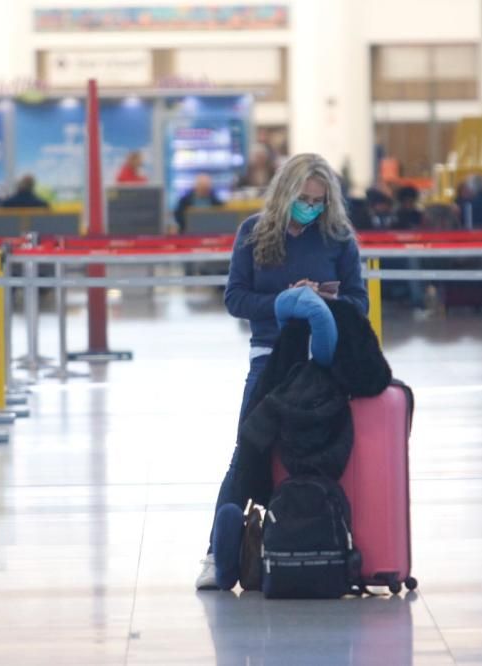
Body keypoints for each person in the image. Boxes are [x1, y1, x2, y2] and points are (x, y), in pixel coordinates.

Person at [196, 153, 369, 590]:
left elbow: (358, 303)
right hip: (268, 355)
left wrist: (323, 300)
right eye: (303, 198)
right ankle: (217, 554)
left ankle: (325, 544)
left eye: (318, 200)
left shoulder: (338, 238)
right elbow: (235, 298)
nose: (310, 207)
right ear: (285, 193)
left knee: (320, 458)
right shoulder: (253, 233)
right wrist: (283, 302)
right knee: (247, 450)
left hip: (320, 360)